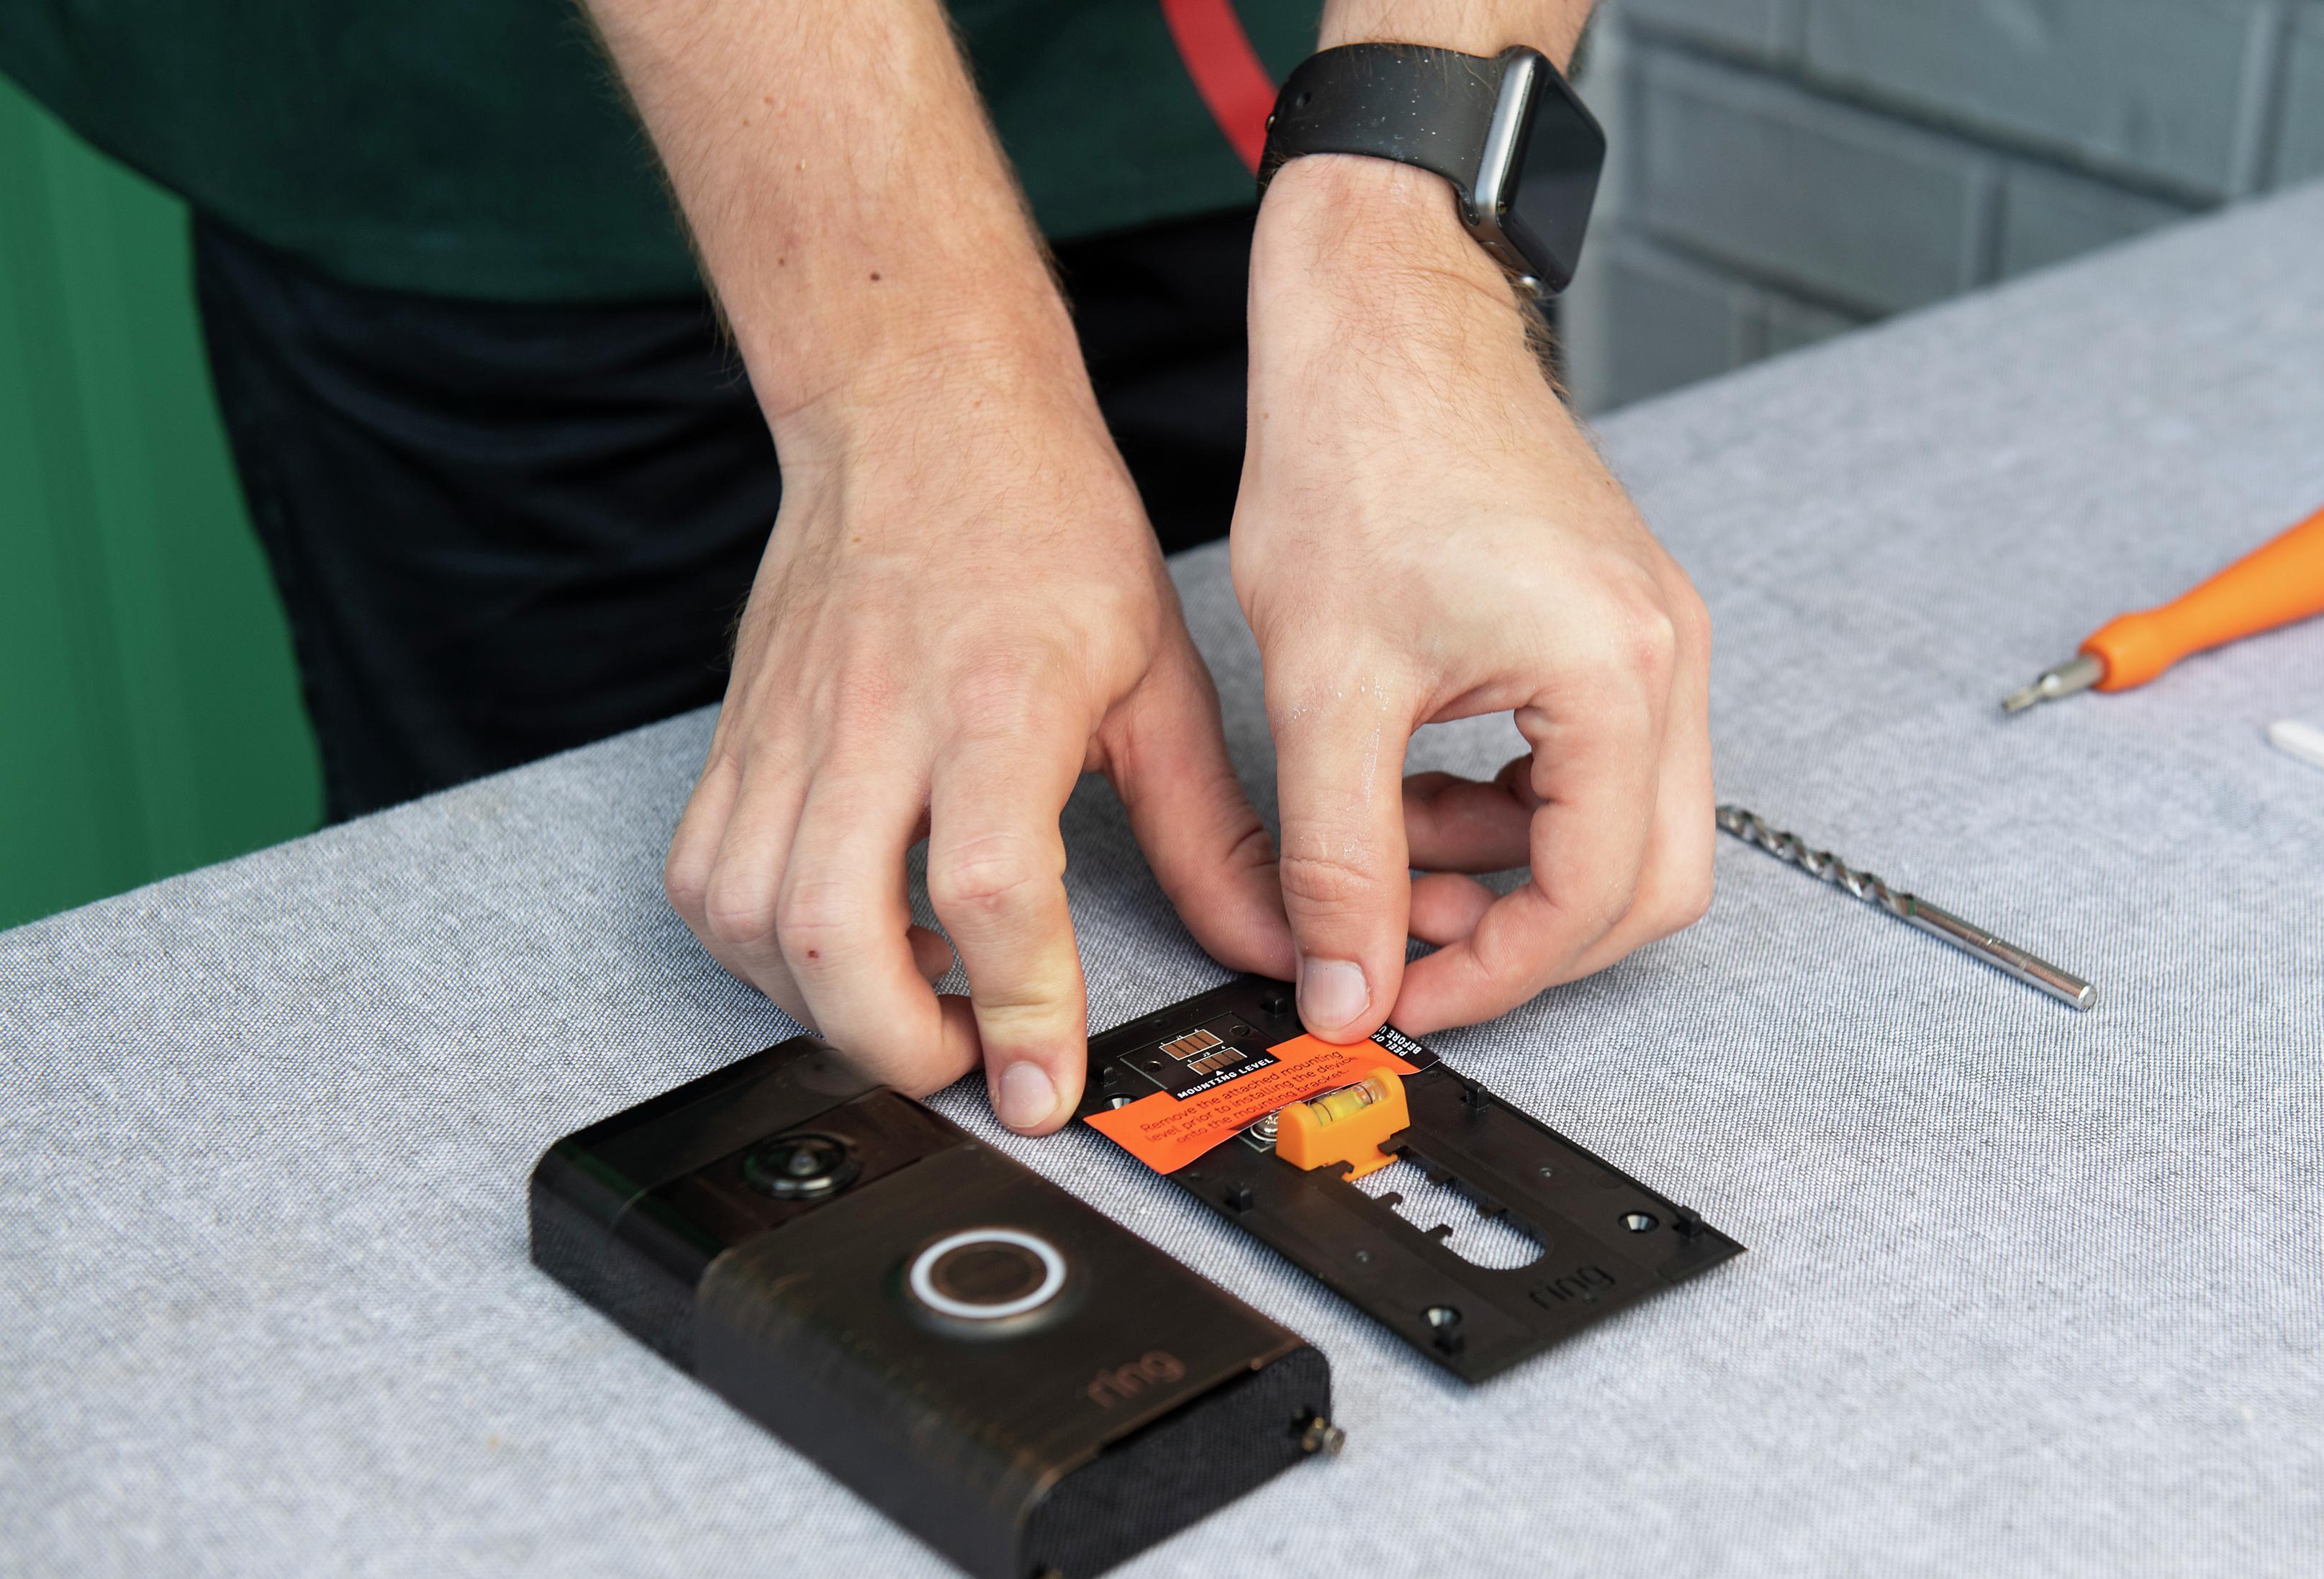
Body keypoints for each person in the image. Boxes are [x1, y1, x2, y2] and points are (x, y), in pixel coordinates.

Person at [5, 0, 1712, 1136]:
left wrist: (1411, 233)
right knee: (691, 1064)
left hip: (1238, 87)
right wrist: (907, 377)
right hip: (525, 175)